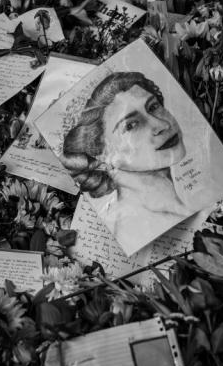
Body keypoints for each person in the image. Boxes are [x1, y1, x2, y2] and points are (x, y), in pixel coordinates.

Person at [62, 71, 188, 252]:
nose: (162, 125)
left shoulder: (178, 208)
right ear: (101, 154)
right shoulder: (141, 228)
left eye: (153, 107)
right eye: (131, 125)